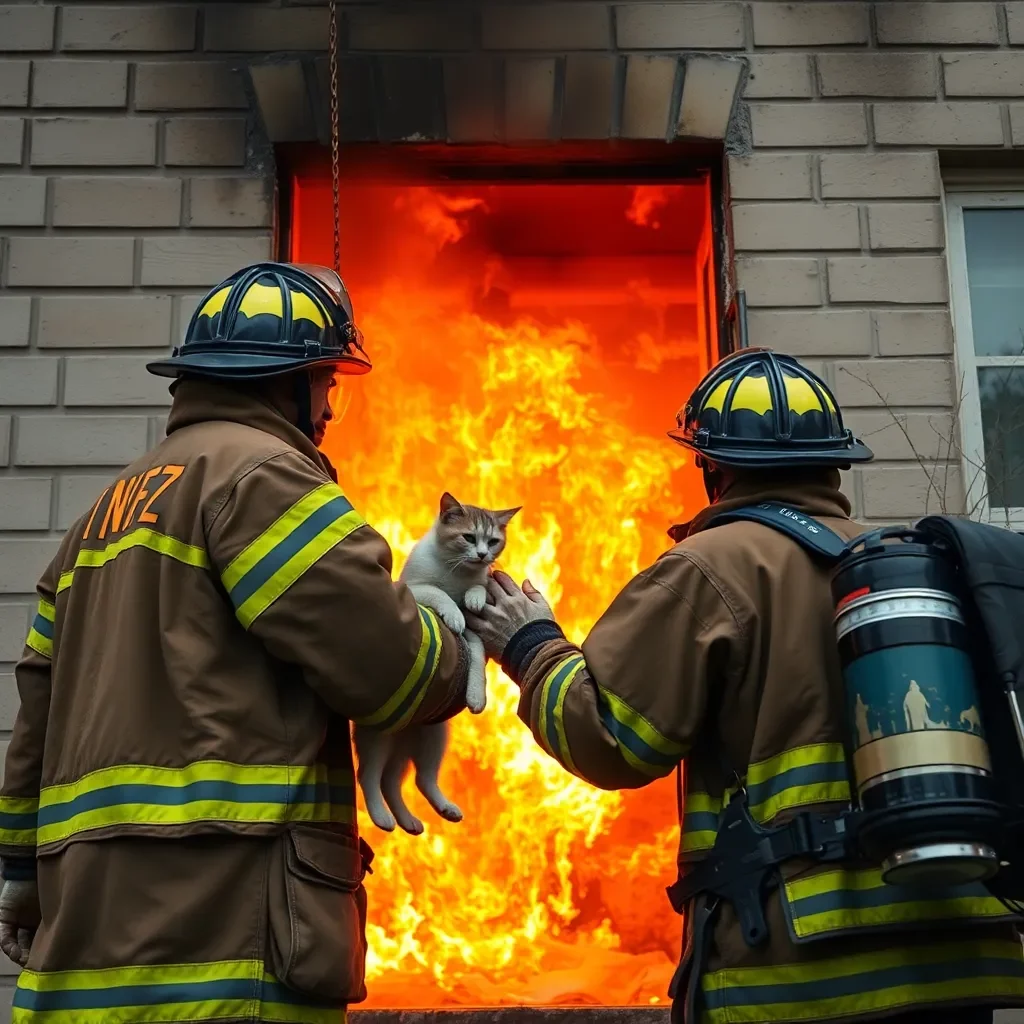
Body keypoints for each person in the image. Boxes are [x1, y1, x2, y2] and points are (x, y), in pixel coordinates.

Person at [466, 348, 1023, 1024]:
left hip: (805, 974)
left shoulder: (708, 569)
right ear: (835, 465)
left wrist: (530, 646)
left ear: (714, 470)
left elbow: (611, 737)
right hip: (955, 965)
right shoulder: (910, 566)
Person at [0, 262, 470, 1022]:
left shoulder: (100, 516)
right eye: (326, 384)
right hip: (226, 946)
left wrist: (21, 869)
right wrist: (454, 640)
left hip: (84, 956)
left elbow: (35, 716)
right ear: (288, 383)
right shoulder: (264, 479)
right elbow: (393, 671)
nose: (328, 409)